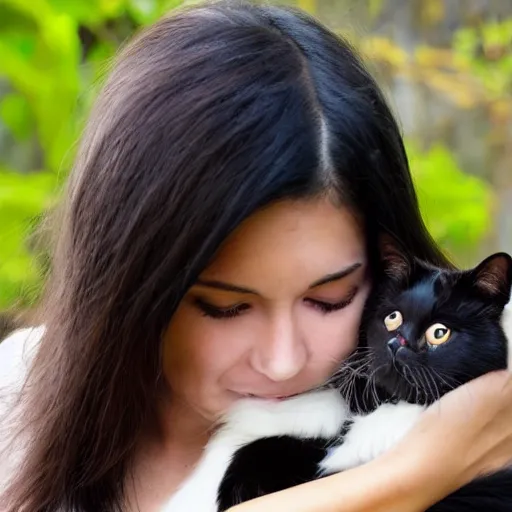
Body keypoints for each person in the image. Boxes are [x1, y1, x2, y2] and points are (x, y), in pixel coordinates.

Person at [1, 2, 512, 511]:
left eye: (330, 299)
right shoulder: (15, 402)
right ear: (129, 285)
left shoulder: (466, 422)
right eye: (226, 308)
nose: (282, 360)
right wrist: (409, 479)